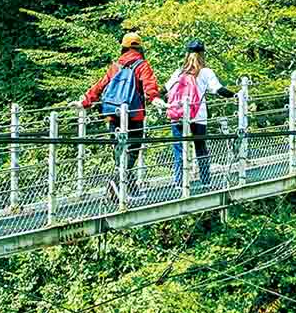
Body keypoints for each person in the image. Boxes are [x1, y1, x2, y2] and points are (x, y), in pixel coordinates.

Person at [76, 31, 163, 195]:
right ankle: (117, 183)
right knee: (132, 149)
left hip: (113, 112)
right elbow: (149, 85)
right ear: (140, 47)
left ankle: (127, 189)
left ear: (123, 47)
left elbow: (100, 86)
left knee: (118, 149)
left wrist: (85, 102)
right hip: (134, 114)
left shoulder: (115, 66)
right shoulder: (142, 65)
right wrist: (154, 99)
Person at [164, 40, 233, 189]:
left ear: (187, 54)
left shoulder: (179, 72)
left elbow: (164, 90)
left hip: (178, 114)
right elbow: (219, 89)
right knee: (200, 148)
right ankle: (205, 181)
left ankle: (179, 182)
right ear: (202, 54)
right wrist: (236, 95)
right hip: (198, 116)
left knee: (179, 148)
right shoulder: (206, 72)